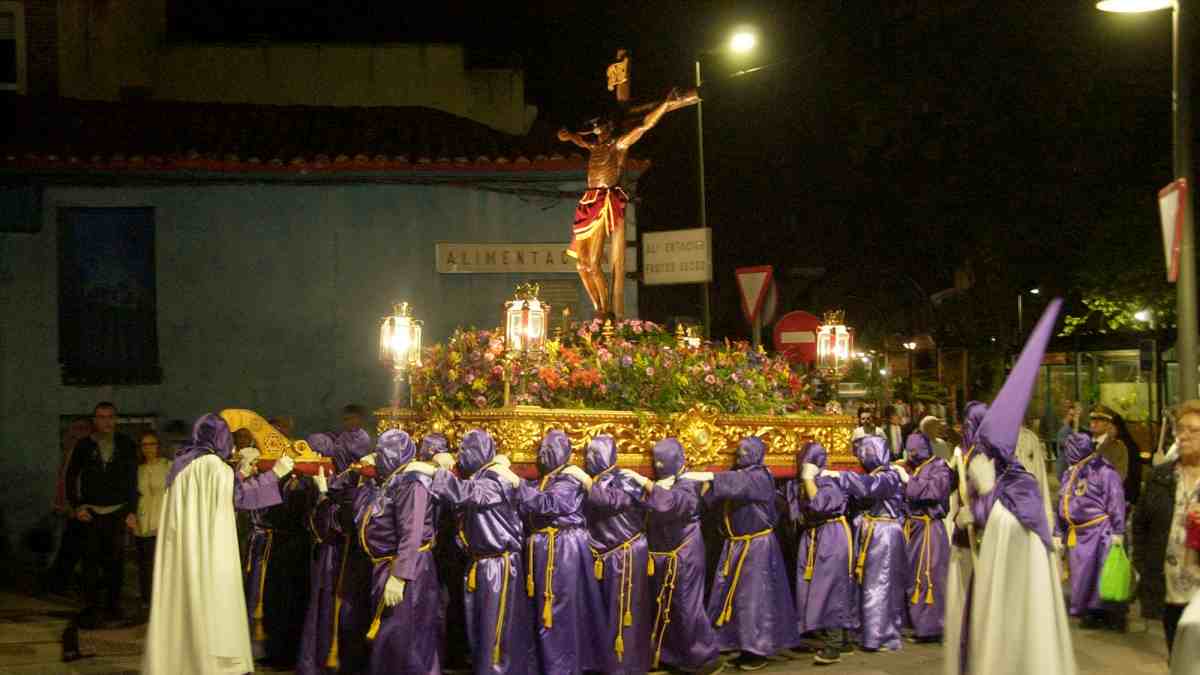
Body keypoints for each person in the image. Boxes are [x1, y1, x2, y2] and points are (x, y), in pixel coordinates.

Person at [944, 300, 1075, 675]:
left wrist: (985, 503)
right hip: (989, 580)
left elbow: (1014, 528)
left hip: (1018, 594)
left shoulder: (1021, 488)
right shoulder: (995, 477)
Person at [142, 413, 294, 675]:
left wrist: (241, 473)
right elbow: (240, 497)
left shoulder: (180, 465)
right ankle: (212, 663)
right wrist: (276, 474)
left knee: (185, 602)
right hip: (209, 550)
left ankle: (181, 660)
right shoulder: (213, 465)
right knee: (212, 600)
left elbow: (222, 491)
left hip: (183, 551)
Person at [558, 88, 698, 318]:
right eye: (594, 129)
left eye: (600, 127)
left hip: (604, 200)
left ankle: (605, 312)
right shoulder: (594, 146)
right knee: (580, 266)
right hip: (588, 202)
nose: (596, 131)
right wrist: (566, 135)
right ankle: (598, 309)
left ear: (609, 128)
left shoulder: (619, 144)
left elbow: (644, 125)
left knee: (593, 263)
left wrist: (665, 105)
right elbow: (577, 139)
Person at [414, 429, 537, 675]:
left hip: (498, 567)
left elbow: (465, 493)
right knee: (482, 632)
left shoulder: (495, 479)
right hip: (483, 565)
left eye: (464, 451)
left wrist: (436, 470)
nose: (460, 457)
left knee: (495, 634)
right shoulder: (485, 475)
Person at [690, 436, 800, 670]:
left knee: (754, 600)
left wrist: (709, 476)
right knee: (736, 598)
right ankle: (740, 644)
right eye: (738, 451)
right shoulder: (739, 474)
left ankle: (757, 648)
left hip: (756, 546)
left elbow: (738, 483)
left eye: (745, 451)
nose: (740, 455)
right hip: (737, 545)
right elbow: (716, 495)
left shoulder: (760, 476)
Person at [620, 438, 723, 674]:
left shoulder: (688, 484)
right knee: (664, 607)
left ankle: (703, 658)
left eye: (662, 461)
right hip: (661, 557)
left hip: (683, 555)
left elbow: (670, 503)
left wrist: (643, 481)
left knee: (687, 608)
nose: (658, 465)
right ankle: (670, 656)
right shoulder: (663, 482)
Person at [509, 430, 605, 674]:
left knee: (558, 609)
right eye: (542, 449)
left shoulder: (569, 480)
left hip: (562, 549)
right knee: (542, 609)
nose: (543, 454)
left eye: (550, 449)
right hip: (546, 547)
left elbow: (551, 504)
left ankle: (561, 667)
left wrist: (516, 484)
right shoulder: (547, 478)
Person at [358, 430, 443, 675]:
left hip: (405, 568)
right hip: (391, 566)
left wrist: (399, 575)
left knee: (406, 640)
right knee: (392, 640)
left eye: (382, 451)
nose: (377, 456)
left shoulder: (411, 482)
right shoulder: (394, 479)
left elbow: (412, 531)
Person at [297, 426, 374, 675]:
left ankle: (339, 660)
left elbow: (336, 523)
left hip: (342, 558)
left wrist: (323, 495)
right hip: (349, 557)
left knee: (341, 612)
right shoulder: (353, 481)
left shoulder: (354, 484)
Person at [240, 430, 318, 669]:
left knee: (290, 602)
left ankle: (287, 654)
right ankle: (271, 650)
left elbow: (290, 514)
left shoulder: (303, 484)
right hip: (275, 548)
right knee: (272, 601)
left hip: (293, 549)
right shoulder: (276, 481)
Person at [1133, 399, 1200, 657]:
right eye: (1180, 429)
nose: (1183, 436)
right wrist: (1142, 565)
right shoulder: (1161, 476)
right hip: (1171, 588)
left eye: (1193, 431)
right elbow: (1140, 524)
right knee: (1179, 657)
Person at [582, 434, 653, 674]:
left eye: (595, 453)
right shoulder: (595, 479)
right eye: (587, 453)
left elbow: (611, 501)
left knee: (625, 613)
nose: (590, 458)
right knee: (605, 612)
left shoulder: (624, 479)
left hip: (627, 554)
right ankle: (606, 662)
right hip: (605, 555)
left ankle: (626, 666)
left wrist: (586, 483)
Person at [64, 401, 139, 624]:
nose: (106, 421)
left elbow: (132, 479)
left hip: (117, 512)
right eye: (101, 417)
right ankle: (91, 609)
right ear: (95, 420)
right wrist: (77, 505)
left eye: (110, 417)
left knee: (115, 563)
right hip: (91, 513)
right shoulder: (84, 445)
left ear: (115, 420)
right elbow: (70, 477)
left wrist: (131, 511)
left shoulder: (125, 444)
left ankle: (113, 607)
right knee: (90, 563)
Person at [786, 441, 856, 665]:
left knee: (832, 586)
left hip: (832, 535)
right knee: (817, 586)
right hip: (815, 536)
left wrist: (809, 478)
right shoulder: (802, 483)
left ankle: (835, 643)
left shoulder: (829, 481)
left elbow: (821, 504)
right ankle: (841, 640)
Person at [1055, 432, 1126, 630]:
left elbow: (1116, 499)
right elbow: (1062, 500)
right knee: (1080, 575)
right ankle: (1084, 608)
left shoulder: (1104, 471)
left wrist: (1118, 530)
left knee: (1098, 574)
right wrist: (1058, 531)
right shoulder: (1071, 472)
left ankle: (1100, 613)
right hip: (1077, 533)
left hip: (1099, 531)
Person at [844, 435, 908, 652]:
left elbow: (868, 487)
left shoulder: (888, 476)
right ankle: (865, 630)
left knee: (880, 584)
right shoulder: (876, 474)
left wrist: (838, 476)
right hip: (873, 531)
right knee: (867, 583)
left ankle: (879, 635)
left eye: (865, 452)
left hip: (884, 534)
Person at [902, 431, 954, 643]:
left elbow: (933, 492)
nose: (911, 454)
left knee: (929, 577)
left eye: (914, 449)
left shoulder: (940, 467)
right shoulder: (917, 467)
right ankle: (917, 623)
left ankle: (932, 627)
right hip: (914, 530)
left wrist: (908, 481)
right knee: (914, 576)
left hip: (929, 529)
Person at [45, 417, 93, 598]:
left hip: (77, 508)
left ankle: (61, 583)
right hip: (76, 509)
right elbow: (66, 482)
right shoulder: (73, 454)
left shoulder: (75, 454)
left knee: (72, 547)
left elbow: (67, 482)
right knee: (72, 547)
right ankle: (61, 583)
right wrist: (65, 505)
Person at [133, 431, 170, 615]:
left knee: (162, 562)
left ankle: (164, 599)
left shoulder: (168, 467)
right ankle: (147, 599)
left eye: (152, 444)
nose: (148, 448)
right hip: (142, 520)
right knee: (145, 563)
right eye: (144, 445)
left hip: (163, 520)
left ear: (158, 445)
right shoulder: (137, 470)